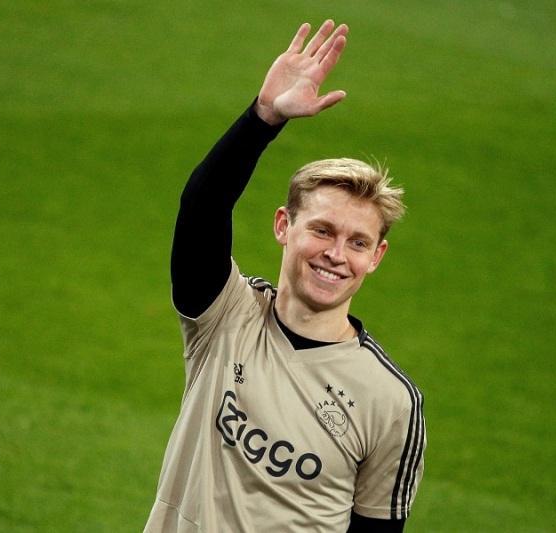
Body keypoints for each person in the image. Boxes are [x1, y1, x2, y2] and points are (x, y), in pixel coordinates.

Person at [144, 20, 426, 533]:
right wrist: (264, 117)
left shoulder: (390, 401)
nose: (335, 255)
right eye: (322, 230)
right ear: (283, 226)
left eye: (357, 242)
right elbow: (203, 207)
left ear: (376, 256)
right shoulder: (225, 317)